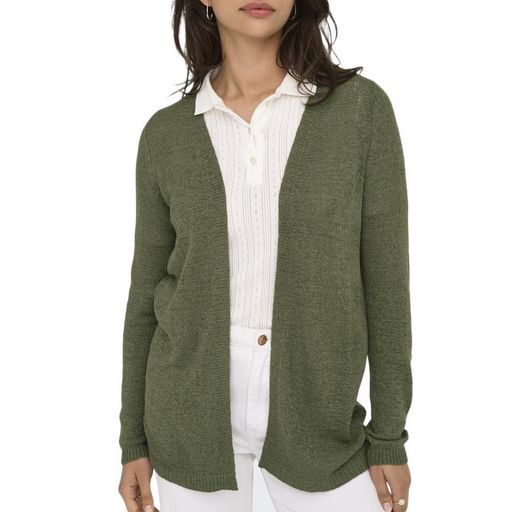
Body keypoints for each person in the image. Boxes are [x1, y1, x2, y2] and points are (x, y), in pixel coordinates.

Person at [117, 1, 413, 511]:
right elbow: (146, 296)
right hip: (188, 413)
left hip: (321, 418)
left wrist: (389, 434)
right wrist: (133, 441)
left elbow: (386, 285)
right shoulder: (165, 135)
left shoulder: (361, 111)